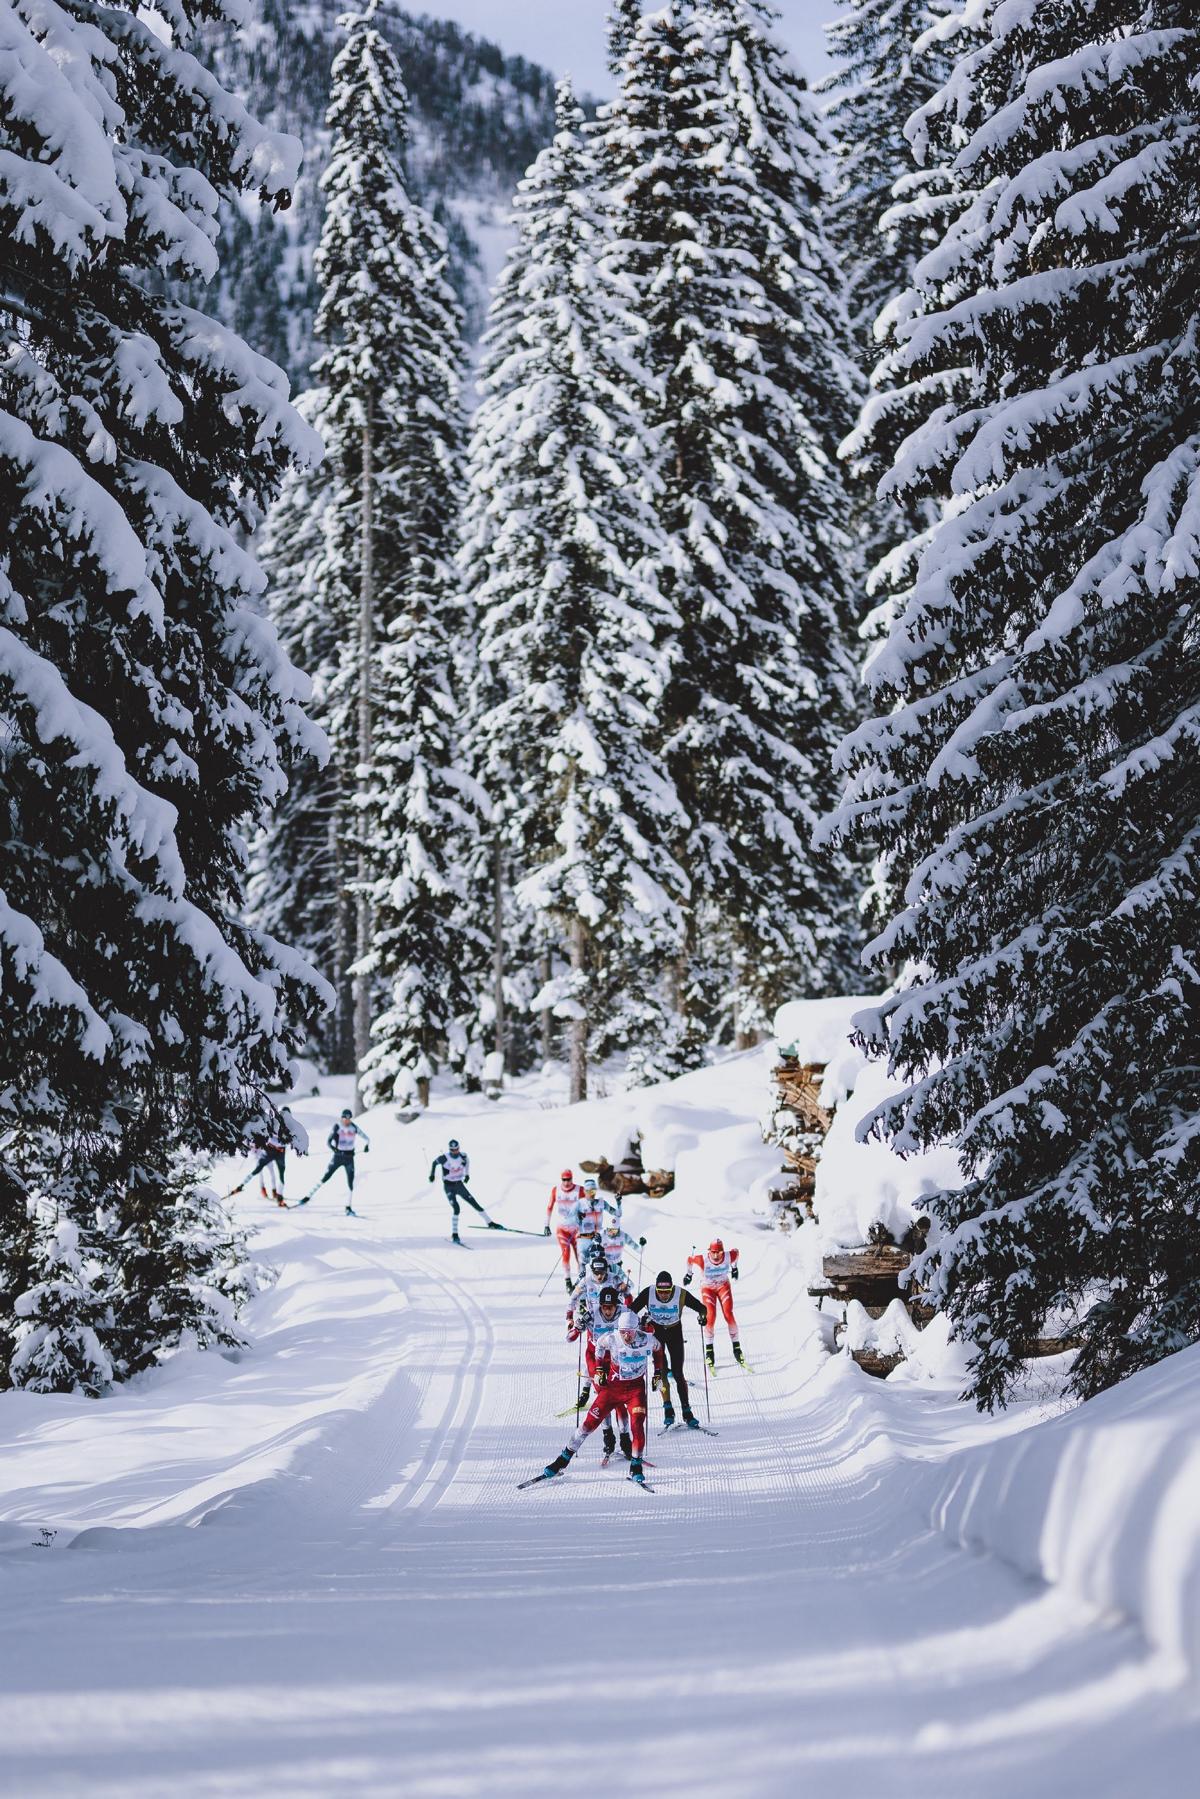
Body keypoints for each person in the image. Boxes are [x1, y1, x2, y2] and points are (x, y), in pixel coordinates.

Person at [544, 1309, 662, 1485]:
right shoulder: (613, 1338)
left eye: (629, 1332)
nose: (626, 1336)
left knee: (637, 1425)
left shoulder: (647, 1339)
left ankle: (636, 1467)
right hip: (613, 1388)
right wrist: (599, 1369)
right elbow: (598, 1345)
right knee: (588, 1424)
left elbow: (659, 1351)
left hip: (635, 1390)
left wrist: (658, 1373)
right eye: (623, 1332)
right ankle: (562, 1460)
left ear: (636, 1329)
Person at [631, 1269, 707, 1427]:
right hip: (656, 1333)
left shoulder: (681, 1294)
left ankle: (687, 1411)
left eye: (667, 1292)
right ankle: (668, 1408)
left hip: (674, 1333)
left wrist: (702, 1316)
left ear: (672, 1289)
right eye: (661, 1292)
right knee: (661, 1370)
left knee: (678, 1373)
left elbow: (701, 1307)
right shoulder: (649, 1293)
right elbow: (631, 1310)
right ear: (656, 1289)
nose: (664, 1295)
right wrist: (639, 1322)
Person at [230, 1107, 308, 1207]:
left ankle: (279, 1196)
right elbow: (268, 1136)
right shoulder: (274, 1122)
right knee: (257, 1170)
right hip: (269, 1151)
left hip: (280, 1153)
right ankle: (240, 1186)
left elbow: (289, 1141)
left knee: (281, 1175)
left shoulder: (290, 1126)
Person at [685, 1238, 744, 1368]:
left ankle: (737, 1349)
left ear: (723, 1251)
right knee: (710, 1317)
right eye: (713, 1252)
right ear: (709, 1251)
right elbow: (689, 1259)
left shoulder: (729, 1256)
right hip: (708, 1288)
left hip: (723, 1286)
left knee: (728, 1314)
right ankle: (709, 1352)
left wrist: (734, 1268)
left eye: (719, 1252)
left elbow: (736, 1252)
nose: (716, 1255)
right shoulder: (702, 1260)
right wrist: (689, 1274)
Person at [429, 1139, 500, 1243]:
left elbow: (467, 1163)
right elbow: (434, 1163)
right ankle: (455, 1234)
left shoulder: (463, 1156)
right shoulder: (444, 1158)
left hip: (459, 1185)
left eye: (456, 1149)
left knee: (474, 1203)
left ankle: (490, 1223)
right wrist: (432, 1175)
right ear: (450, 1149)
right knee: (456, 1208)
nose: (455, 1151)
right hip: (449, 1187)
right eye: (452, 1150)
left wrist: (467, 1175)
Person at [299, 1109, 370, 1213]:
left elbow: (367, 1138)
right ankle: (308, 1196)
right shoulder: (338, 1127)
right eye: (345, 1118)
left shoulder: (353, 1127)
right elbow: (328, 1142)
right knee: (326, 1177)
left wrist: (366, 1146)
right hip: (338, 1157)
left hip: (349, 1158)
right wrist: (335, 1149)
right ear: (342, 1118)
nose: (347, 1120)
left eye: (349, 1118)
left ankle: (348, 1207)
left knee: (350, 1182)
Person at [544, 1167, 585, 1289]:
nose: (566, 1182)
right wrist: (546, 1225)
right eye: (564, 1179)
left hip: (577, 1230)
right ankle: (568, 1281)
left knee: (581, 1257)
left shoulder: (580, 1190)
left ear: (572, 1178)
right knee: (566, 1254)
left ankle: (581, 1282)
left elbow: (587, 1206)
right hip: (562, 1229)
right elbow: (549, 1207)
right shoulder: (556, 1190)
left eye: (569, 1179)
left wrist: (584, 1214)